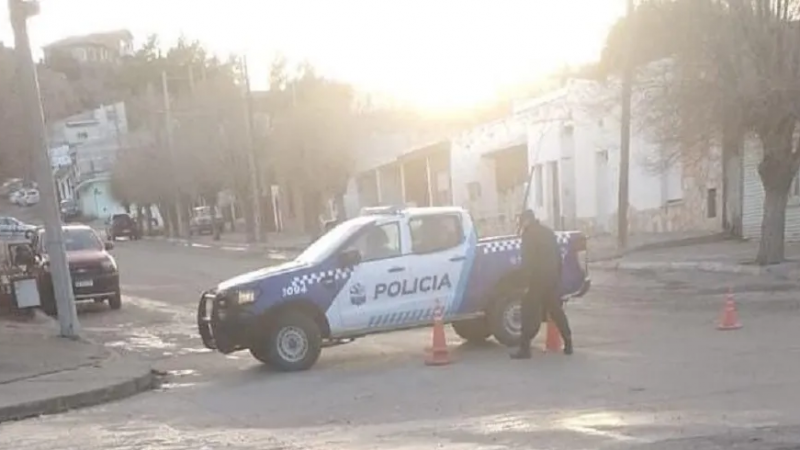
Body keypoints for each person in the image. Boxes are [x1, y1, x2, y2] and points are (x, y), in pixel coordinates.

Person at [510, 209, 573, 359]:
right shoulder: (547, 232)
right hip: (551, 277)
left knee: (527, 311)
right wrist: (557, 277)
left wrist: (525, 282)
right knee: (555, 310)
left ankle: (524, 349)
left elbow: (528, 261)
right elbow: (558, 256)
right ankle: (568, 342)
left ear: (526, 220)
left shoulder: (528, 235)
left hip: (537, 279)